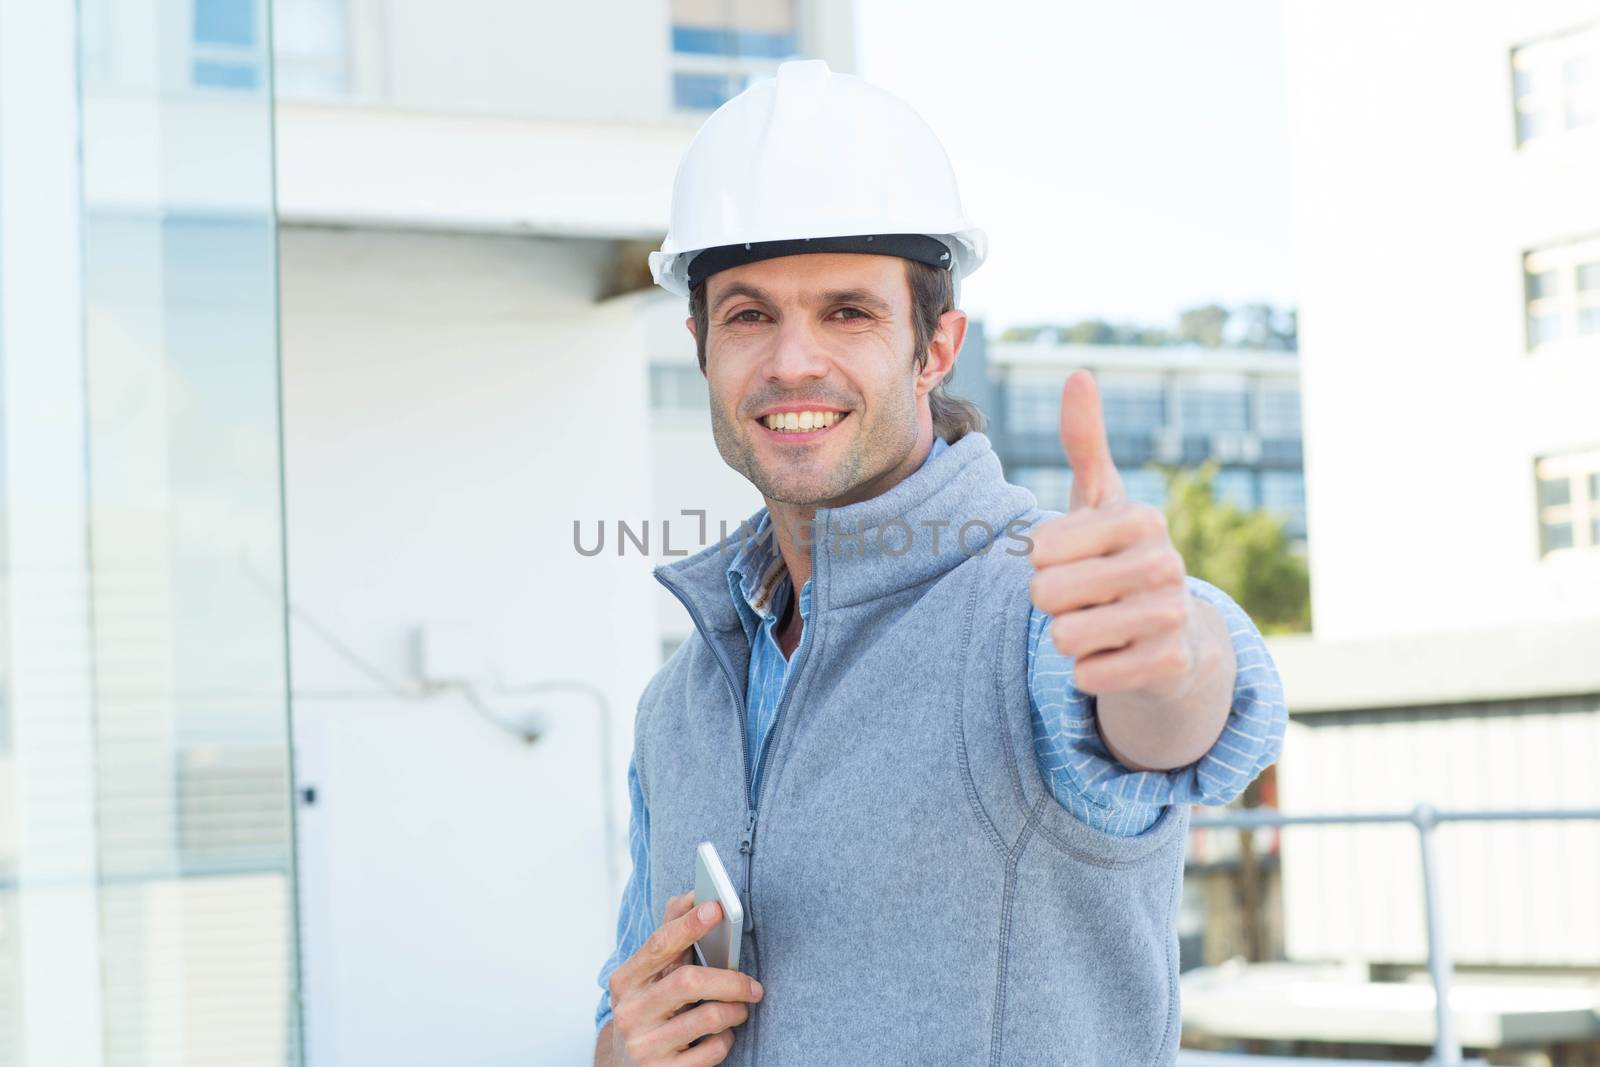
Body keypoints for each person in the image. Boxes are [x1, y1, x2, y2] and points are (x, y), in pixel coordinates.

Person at [593, 59, 1286, 1067]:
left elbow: (1167, 713)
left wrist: (1168, 645)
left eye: (847, 312)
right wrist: (622, 1050)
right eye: (749, 313)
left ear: (935, 345)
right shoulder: (678, 702)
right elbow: (633, 990)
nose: (792, 361)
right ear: (699, 338)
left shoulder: (1037, 603)